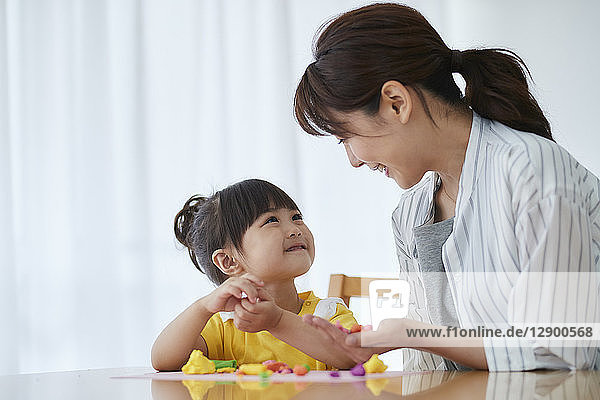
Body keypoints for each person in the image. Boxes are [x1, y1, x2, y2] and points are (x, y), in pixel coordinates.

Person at [295, 3, 599, 371]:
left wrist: (412, 333)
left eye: (347, 136)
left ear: (396, 103)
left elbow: (563, 348)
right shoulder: (409, 214)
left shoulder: (531, 172)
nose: (354, 160)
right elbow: (427, 369)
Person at [151, 179, 361, 371]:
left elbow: (352, 356)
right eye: (271, 220)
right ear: (229, 261)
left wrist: (276, 321)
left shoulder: (328, 314)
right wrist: (203, 307)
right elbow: (163, 361)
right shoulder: (226, 325)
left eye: (296, 217)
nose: (295, 230)